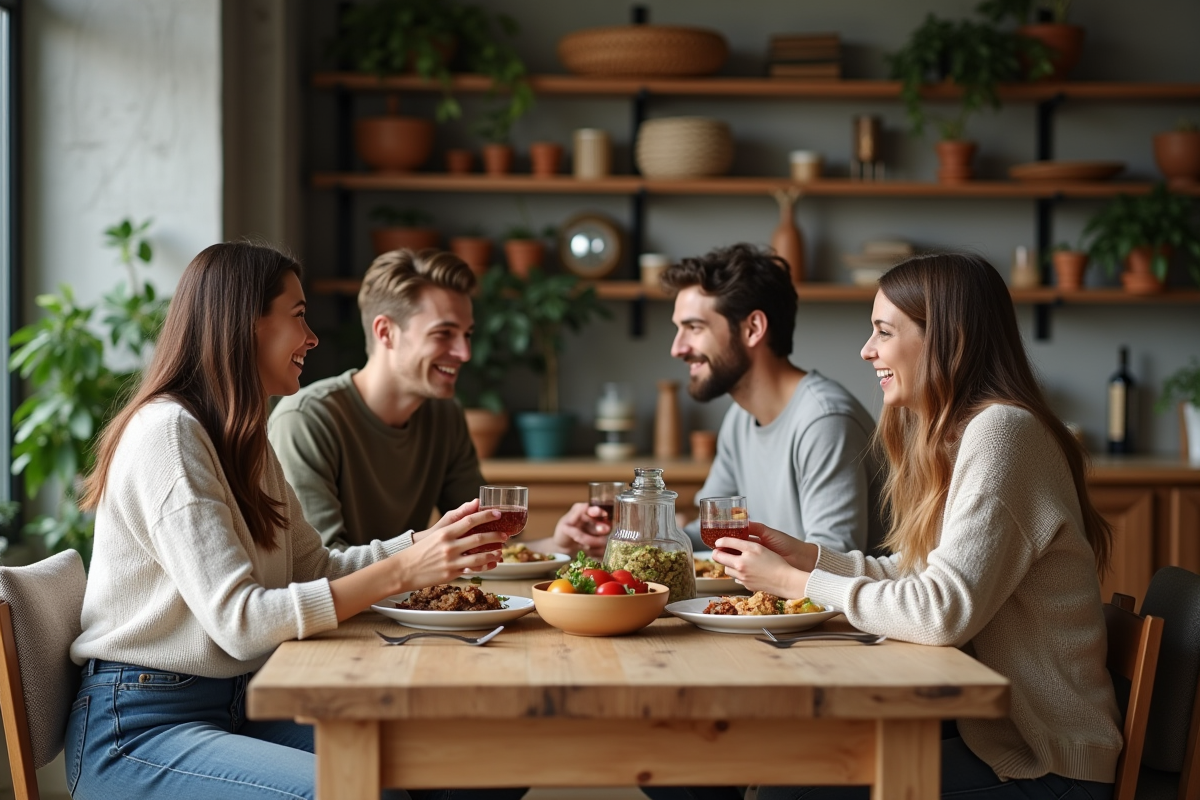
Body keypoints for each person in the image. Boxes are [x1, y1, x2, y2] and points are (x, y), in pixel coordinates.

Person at [66, 242, 525, 800]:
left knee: (463, 768)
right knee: (354, 792)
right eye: (299, 316)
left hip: (242, 702)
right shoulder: (168, 434)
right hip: (139, 725)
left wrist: (422, 543)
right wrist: (406, 569)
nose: (311, 338)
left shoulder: (242, 438)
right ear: (244, 324)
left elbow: (315, 565)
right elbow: (239, 622)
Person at [661, 253, 1124, 800]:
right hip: (994, 743)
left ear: (946, 339)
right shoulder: (958, 434)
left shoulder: (1003, 434)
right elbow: (916, 573)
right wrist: (807, 557)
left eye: (884, 331)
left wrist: (794, 584)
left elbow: (941, 611)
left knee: (790, 789)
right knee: (777, 773)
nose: (867, 350)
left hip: (1049, 766)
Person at [560, 243, 883, 560]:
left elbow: (834, 562)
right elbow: (708, 533)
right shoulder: (740, 418)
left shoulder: (824, 421)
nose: (677, 348)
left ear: (753, 328)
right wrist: (623, 541)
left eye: (694, 328)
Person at [269, 248, 485, 547]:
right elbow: (321, 566)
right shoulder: (305, 420)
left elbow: (481, 535)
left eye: (467, 334)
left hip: (410, 593)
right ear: (386, 332)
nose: (465, 353)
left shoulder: (445, 415)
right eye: (444, 333)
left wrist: (554, 545)